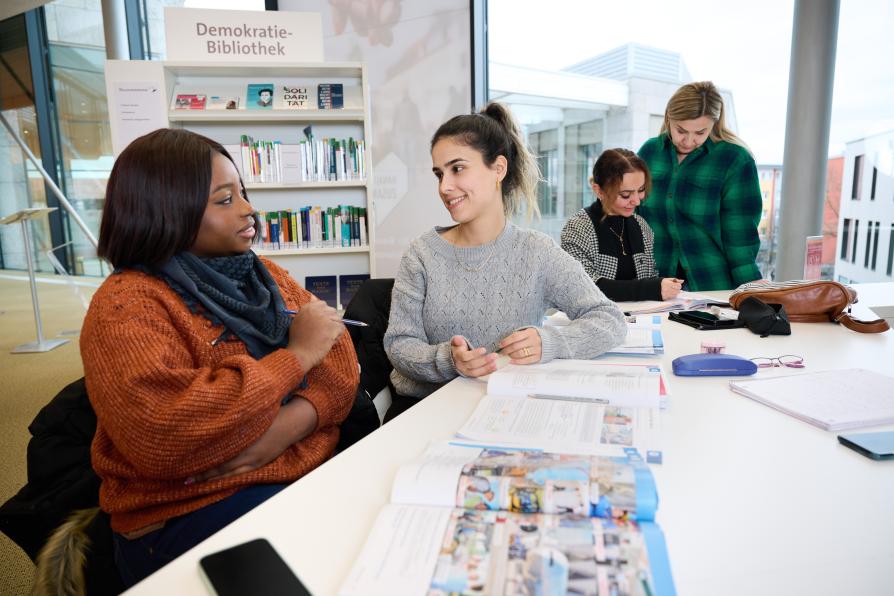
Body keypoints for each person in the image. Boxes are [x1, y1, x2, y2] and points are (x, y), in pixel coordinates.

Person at [79, 128, 358, 586]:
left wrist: (281, 431)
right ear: (168, 210)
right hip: (192, 509)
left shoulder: (262, 273)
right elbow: (165, 435)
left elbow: (341, 363)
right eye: (225, 200)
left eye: (243, 193)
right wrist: (296, 358)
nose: (249, 209)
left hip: (296, 472)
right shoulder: (126, 306)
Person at [383, 102, 626, 420]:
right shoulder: (421, 254)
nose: (444, 187)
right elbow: (399, 343)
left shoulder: (537, 252)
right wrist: (449, 360)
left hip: (507, 411)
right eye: (439, 174)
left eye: (457, 169)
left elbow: (609, 319)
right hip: (422, 412)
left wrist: (549, 341)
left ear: (498, 168)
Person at [637, 81, 762, 291]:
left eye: (700, 133)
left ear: (714, 123)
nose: (688, 140)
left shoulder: (735, 160)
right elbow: (633, 215)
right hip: (653, 282)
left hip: (711, 285)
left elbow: (739, 232)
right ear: (669, 118)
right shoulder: (649, 153)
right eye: (681, 130)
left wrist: (750, 285)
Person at [560, 148, 683, 301]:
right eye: (625, 195)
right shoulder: (578, 228)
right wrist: (651, 288)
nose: (637, 201)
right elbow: (582, 287)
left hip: (641, 319)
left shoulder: (641, 225)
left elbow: (649, 277)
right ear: (599, 191)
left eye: (641, 190)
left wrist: (664, 286)